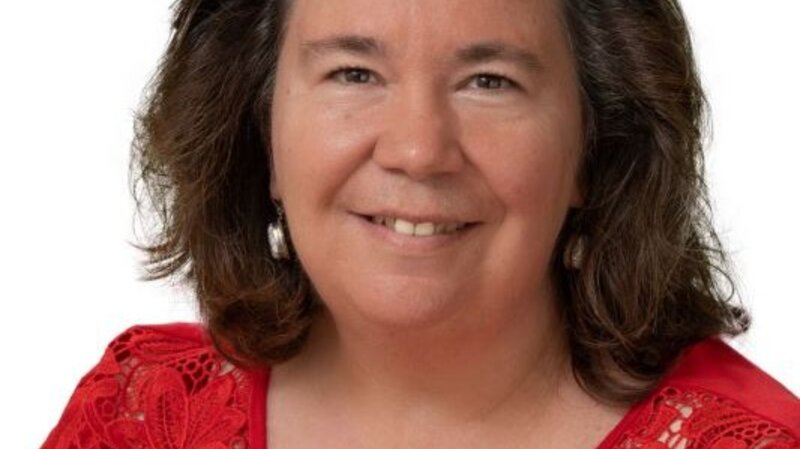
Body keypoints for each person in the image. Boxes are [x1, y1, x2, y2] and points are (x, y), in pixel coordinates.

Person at [41, 0, 799, 448]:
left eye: (489, 81)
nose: (417, 150)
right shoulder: (140, 414)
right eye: (353, 73)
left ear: (594, 149)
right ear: (260, 135)